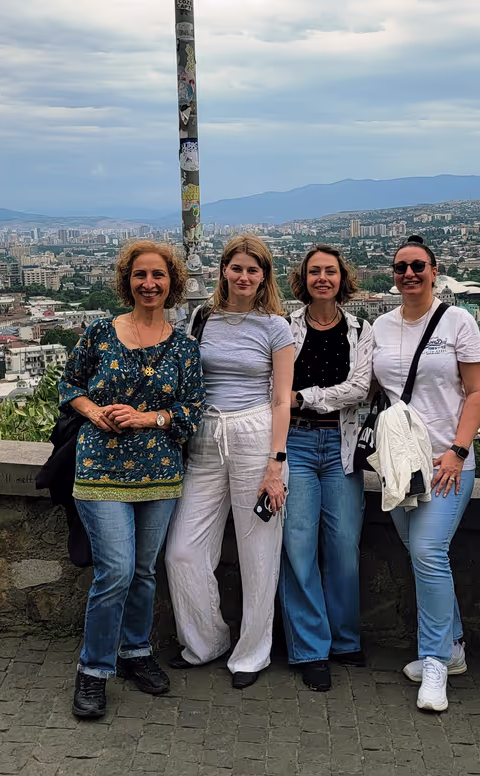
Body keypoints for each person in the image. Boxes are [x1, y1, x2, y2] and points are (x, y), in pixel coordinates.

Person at [59, 240, 204, 719]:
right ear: (128, 281)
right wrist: (93, 411)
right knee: (116, 571)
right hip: (100, 469)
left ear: (172, 283)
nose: (149, 283)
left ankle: (135, 651)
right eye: (140, 275)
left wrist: (148, 418)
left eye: (158, 275)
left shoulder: (184, 348)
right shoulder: (101, 332)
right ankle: (93, 669)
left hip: (159, 474)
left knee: (143, 571)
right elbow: (69, 384)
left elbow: (191, 412)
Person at [165, 235, 294, 690]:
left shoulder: (276, 327)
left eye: (252, 270)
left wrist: (275, 465)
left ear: (264, 276)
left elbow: (282, 399)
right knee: (183, 550)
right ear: (223, 270)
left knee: (259, 552)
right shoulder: (203, 318)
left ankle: (252, 653)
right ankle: (206, 641)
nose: (243, 276)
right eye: (236, 268)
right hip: (206, 434)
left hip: (255, 434)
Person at [371, 235, 480, 712]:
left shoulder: (459, 321)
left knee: (427, 550)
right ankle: (452, 645)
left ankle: (435, 660)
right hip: (401, 463)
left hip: (446, 461)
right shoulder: (380, 326)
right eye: (401, 267)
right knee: (420, 554)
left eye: (418, 266)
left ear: (434, 272)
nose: (409, 274)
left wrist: (459, 450)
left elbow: (477, 391)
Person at [279, 245, 373, 692]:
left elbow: (359, 388)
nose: (322, 278)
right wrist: (300, 400)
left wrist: (304, 396)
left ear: (341, 278)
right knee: (298, 546)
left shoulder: (360, 329)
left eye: (330, 271)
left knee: (343, 547)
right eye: (314, 271)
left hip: (341, 444)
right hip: (295, 443)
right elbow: (275, 387)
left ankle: (344, 638)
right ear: (303, 279)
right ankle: (310, 648)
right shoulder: (285, 328)